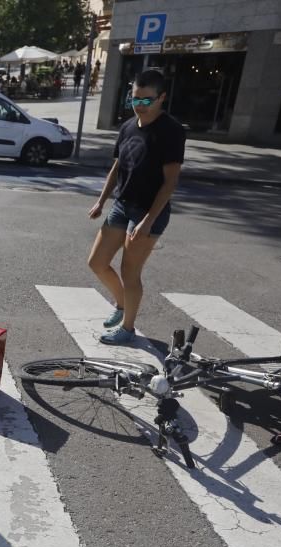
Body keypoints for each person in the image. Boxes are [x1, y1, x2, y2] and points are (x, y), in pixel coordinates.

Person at [87, 69, 185, 345]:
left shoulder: (171, 131)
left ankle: (128, 328)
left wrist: (148, 221)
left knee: (131, 273)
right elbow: (117, 167)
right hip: (122, 204)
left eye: (146, 100)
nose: (139, 106)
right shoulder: (128, 126)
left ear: (161, 98)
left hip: (148, 212)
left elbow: (170, 183)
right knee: (97, 262)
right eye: (135, 99)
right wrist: (101, 200)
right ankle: (121, 305)